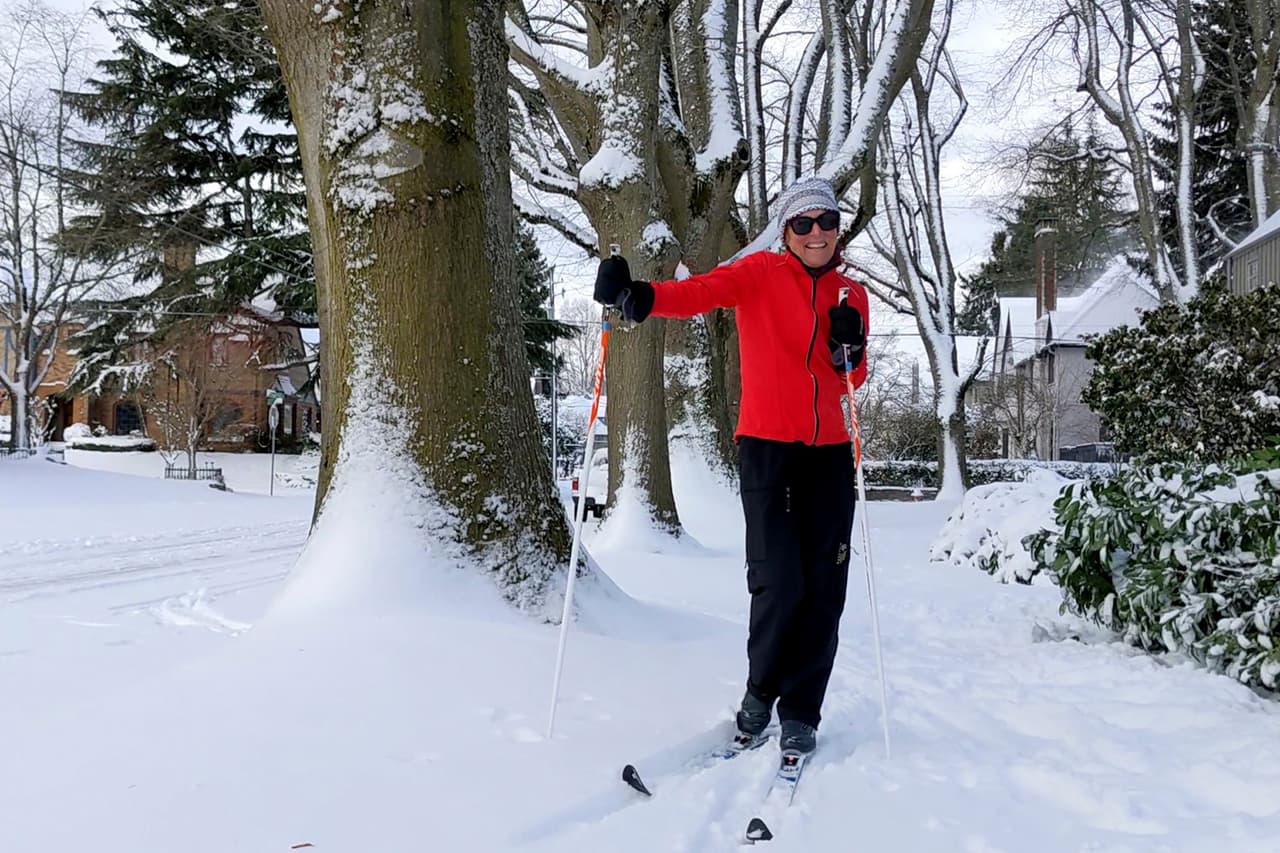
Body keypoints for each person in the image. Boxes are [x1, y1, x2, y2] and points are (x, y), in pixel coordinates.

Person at [592, 176, 869, 757]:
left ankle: (801, 711)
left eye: (827, 222)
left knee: (823, 587)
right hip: (767, 448)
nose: (816, 233)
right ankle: (759, 694)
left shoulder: (851, 294)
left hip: (830, 456)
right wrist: (638, 297)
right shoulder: (761, 275)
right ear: (787, 231)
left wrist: (853, 348)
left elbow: (852, 378)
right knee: (777, 581)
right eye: (803, 223)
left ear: (837, 229)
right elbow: (701, 293)